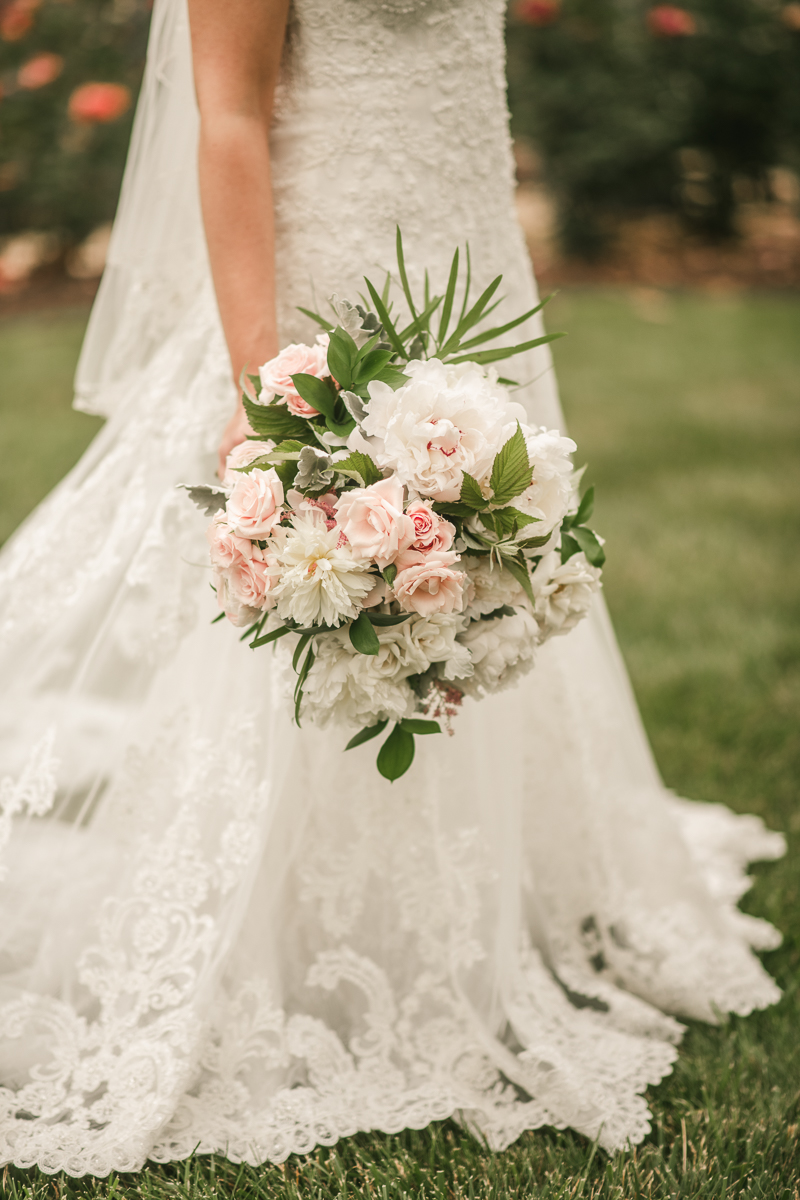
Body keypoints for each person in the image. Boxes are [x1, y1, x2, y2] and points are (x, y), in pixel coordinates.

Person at [0, 0, 784, 1177]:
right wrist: (262, 378)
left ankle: (485, 897)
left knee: (478, 576)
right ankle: (299, 928)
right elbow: (227, 117)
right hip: (328, 279)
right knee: (320, 610)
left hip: (468, 267)